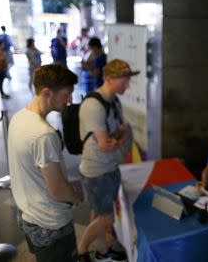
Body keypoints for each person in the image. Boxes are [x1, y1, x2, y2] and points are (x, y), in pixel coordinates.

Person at [8, 64, 83, 262]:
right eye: (67, 94)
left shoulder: (19, 117)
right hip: (51, 222)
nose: (70, 100)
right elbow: (57, 190)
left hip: (29, 214)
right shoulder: (43, 135)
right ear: (47, 92)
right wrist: (75, 196)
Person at [77, 59, 137, 262]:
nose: (127, 85)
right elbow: (106, 143)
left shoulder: (114, 101)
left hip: (109, 166)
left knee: (99, 213)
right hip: (97, 171)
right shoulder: (93, 105)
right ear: (109, 79)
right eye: (124, 80)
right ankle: (82, 250)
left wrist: (119, 137)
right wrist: (122, 137)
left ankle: (102, 252)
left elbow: (118, 133)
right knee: (107, 217)